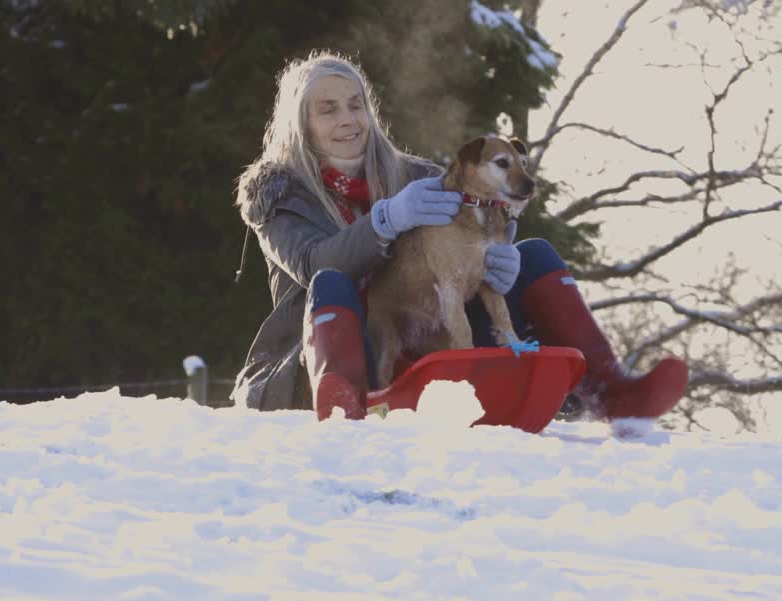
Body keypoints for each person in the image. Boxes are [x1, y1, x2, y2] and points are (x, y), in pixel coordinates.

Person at [231, 51, 688, 422]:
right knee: (330, 281)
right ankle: (343, 404)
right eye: (328, 110)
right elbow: (313, 265)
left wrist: (499, 254)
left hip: (432, 337)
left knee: (535, 254)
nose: (347, 119)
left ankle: (614, 394)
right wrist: (385, 221)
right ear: (302, 124)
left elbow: (489, 216)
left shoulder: (419, 177)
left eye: (356, 105)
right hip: (330, 361)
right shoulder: (278, 193)